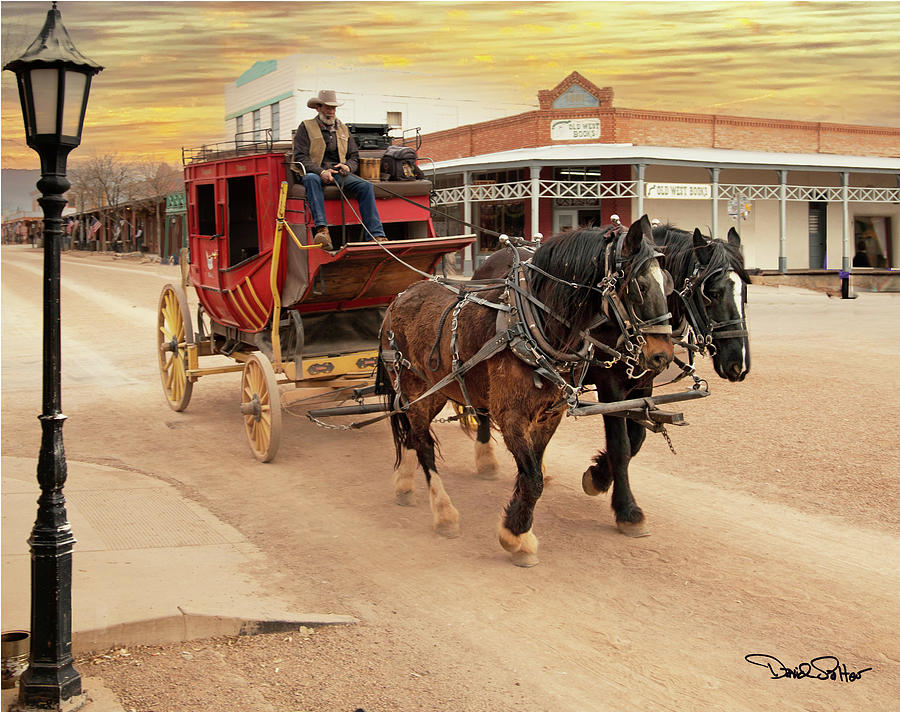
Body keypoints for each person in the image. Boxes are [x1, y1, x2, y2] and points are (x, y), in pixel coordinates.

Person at [292, 90, 386, 250]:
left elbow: (354, 155)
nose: (331, 112)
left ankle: (376, 235)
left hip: (338, 172)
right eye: (328, 108)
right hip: (315, 172)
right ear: (318, 108)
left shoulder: (343, 128)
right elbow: (300, 156)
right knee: (311, 180)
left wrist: (348, 166)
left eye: (333, 108)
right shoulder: (305, 127)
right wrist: (321, 171)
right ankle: (322, 231)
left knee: (365, 186)